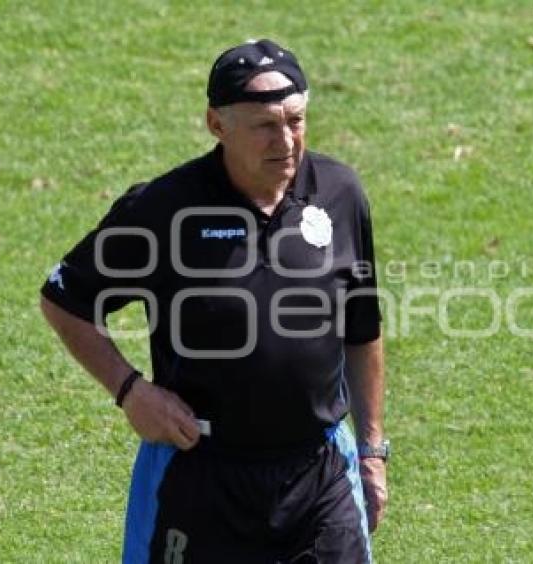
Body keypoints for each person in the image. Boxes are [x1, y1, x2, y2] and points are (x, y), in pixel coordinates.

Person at [40, 38, 388, 563]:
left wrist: (371, 450)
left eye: (296, 120)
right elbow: (64, 298)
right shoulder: (164, 209)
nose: (287, 141)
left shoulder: (339, 193)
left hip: (318, 473)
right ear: (216, 125)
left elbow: (362, 329)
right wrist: (131, 391)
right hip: (200, 474)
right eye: (265, 126)